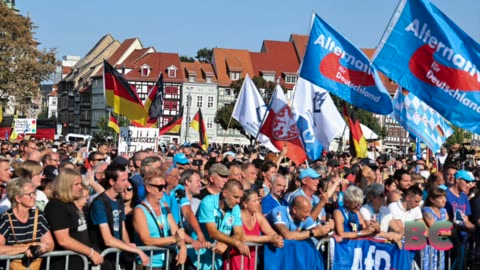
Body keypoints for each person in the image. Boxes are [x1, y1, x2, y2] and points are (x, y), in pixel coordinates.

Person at [89, 164, 149, 269]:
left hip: (118, 256)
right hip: (103, 257)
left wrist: (128, 245)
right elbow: (107, 239)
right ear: (112, 182)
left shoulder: (119, 200)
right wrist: (135, 250)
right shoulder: (99, 203)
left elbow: (122, 228)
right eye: (123, 180)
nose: (127, 184)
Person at [44, 168, 103, 269]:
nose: (80, 187)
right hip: (64, 264)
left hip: (79, 262)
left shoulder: (71, 204)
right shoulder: (56, 206)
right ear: (65, 185)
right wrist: (91, 252)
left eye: (81, 183)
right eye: (77, 184)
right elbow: (63, 240)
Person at [189, 179, 250, 270]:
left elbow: (239, 233)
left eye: (240, 198)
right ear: (225, 193)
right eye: (235, 197)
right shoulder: (208, 202)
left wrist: (226, 244)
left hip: (216, 261)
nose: (238, 201)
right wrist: (235, 242)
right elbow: (212, 232)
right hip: (197, 258)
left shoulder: (235, 208)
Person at [133, 171, 187, 269]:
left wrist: (183, 247)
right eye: (160, 187)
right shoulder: (139, 210)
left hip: (167, 262)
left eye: (164, 186)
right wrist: (174, 239)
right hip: (148, 264)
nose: (163, 190)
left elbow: (176, 232)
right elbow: (146, 240)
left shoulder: (165, 206)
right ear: (148, 188)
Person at [0, 178, 54, 268]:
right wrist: (28, 248)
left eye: (34, 193)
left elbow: (50, 244)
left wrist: (41, 248)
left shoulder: (38, 216)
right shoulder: (5, 219)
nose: (34, 197)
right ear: (18, 198)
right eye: (30, 194)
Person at [224, 190, 283, 270]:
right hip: (236, 256)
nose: (258, 204)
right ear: (245, 204)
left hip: (252, 257)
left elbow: (271, 232)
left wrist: (277, 238)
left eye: (258, 200)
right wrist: (269, 239)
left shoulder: (258, 216)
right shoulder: (238, 215)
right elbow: (243, 237)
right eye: (254, 201)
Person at [422, 187, 449, 270]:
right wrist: (446, 232)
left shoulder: (444, 211)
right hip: (429, 247)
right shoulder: (427, 210)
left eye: (444, 197)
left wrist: (447, 232)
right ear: (432, 199)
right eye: (440, 198)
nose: (444, 200)